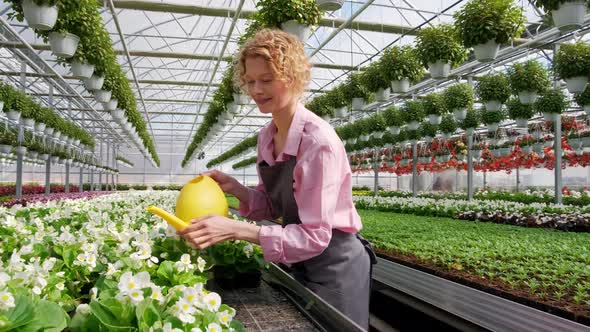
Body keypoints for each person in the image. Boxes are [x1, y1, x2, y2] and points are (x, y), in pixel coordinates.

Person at [178, 28, 376, 330]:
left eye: (266, 80)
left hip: (335, 263)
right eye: (250, 81)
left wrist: (237, 229)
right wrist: (239, 191)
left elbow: (314, 236)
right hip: (300, 258)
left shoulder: (317, 142)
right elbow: (276, 207)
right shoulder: (267, 137)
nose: (257, 89)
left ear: (293, 76)